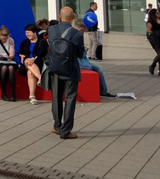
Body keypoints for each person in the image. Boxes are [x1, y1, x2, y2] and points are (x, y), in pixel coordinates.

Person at [47, 7, 85, 140]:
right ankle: (66, 130)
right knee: (69, 99)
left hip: (55, 69)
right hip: (70, 70)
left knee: (56, 97)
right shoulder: (78, 34)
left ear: (59, 16)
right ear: (73, 17)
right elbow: (80, 54)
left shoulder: (51, 30)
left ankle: (57, 126)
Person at [74, 21, 116, 98]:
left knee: (99, 68)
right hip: (78, 61)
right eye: (81, 30)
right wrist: (84, 51)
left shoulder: (79, 36)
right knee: (91, 67)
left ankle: (103, 91)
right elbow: (78, 53)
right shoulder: (75, 37)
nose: (82, 32)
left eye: (83, 31)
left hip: (82, 59)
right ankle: (103, 91)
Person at [18, 24, 48, 105]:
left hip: (37, 64)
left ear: (35, 32)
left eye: (29, 32)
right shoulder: (24, 42)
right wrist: (21, 55)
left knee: (30, 73)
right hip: (25, 64)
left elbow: (42, 53)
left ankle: (32, 96)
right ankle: (41, 78)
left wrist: (34, 59)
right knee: (27, 61)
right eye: (26, 33)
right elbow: (20, 52)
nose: (27, 35)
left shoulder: (42, 42)